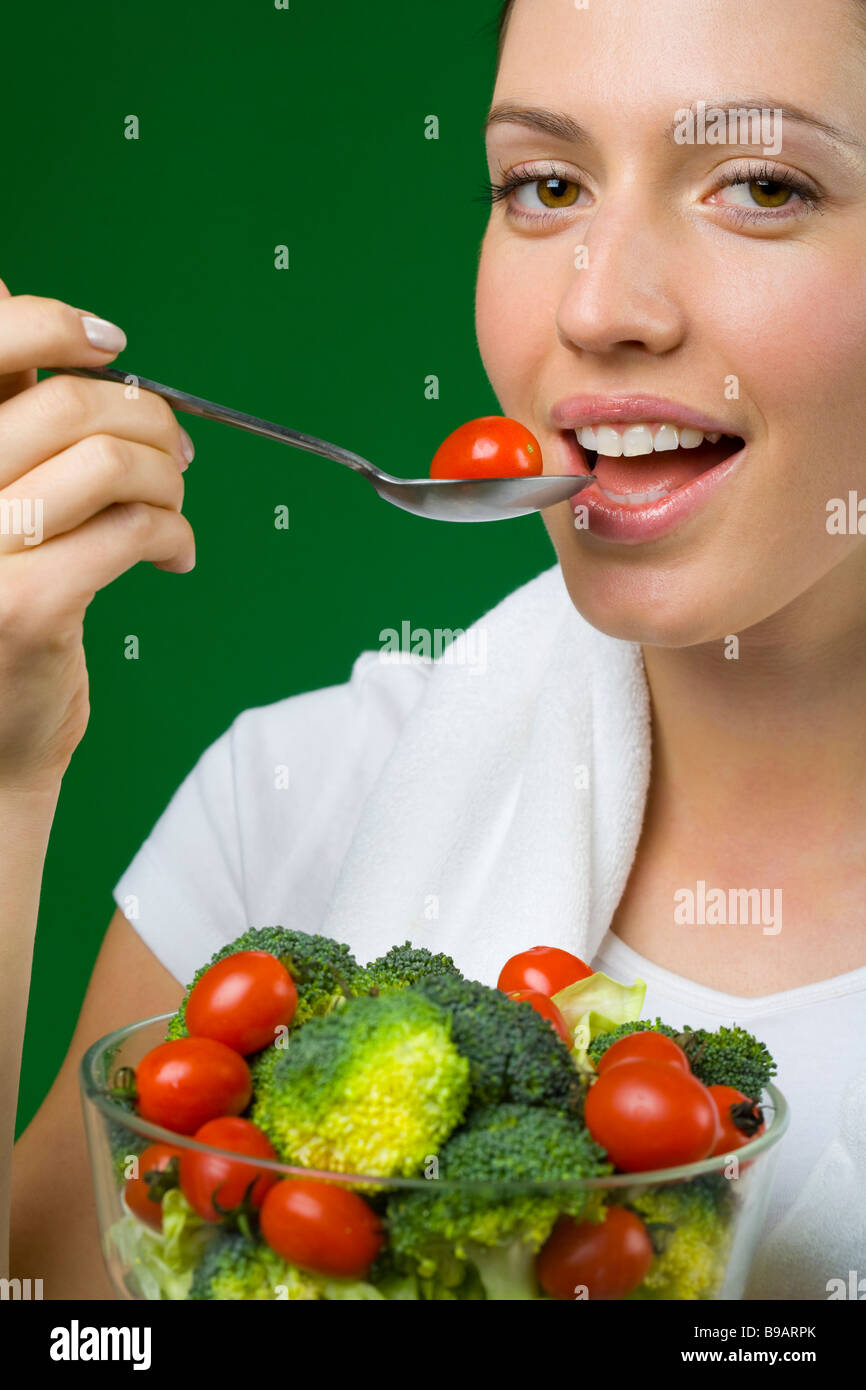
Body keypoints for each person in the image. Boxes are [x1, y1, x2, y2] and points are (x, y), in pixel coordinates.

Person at [5, 0, 866, 1299]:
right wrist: (5, 774)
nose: (598, 305)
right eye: (545, 183)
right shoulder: (293, 804)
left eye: (758, 183)